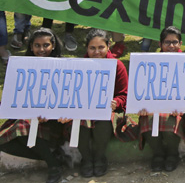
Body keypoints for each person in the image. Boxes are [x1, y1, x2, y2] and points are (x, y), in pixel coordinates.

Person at [0, 29, 66, 183]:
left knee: (22, 127)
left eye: (46, 45)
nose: (41, 50)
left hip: (57, 121)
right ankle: (53, 156)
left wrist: (50, 115)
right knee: (9, 138)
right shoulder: (22, 67)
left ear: (53, 45)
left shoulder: (65, 66)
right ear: (30, 46)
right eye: (37, 45)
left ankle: (54, 166)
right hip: (30, 118)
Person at [137, 27, 185, 172]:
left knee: (170, 123)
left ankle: (172, 154)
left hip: (179, 110)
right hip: (154, 107)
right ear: (160, 44)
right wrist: (141, 105)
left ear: (181, 43)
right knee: (147, 122)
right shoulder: (150, 63)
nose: (171, 46)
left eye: (175, 42)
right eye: (167, 42)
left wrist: (182, 107)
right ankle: (158, 154)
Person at [77, 29, 133, 177]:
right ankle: (86, 159)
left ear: (108, 47)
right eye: (92, 48)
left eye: (101, 47)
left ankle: (100, 157)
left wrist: (117, 102)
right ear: (87, 48)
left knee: (103, 121)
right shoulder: (78, 66)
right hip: (84, 109)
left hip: (110, 109)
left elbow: (125, 94)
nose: (97, 52)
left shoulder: (117, 66)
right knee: (78, 122)